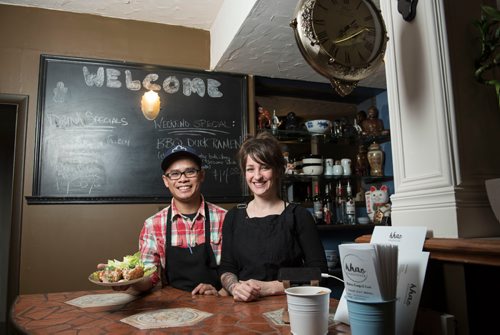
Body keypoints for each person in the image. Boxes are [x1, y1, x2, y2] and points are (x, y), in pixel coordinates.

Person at [99, 144, 227, 296]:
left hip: (218, 303)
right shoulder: (153, 225)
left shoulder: (225, 218)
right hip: (174, 306)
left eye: (190, 171)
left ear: (201, 175)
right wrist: (128, 279)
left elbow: (237, 270)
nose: (183, 179)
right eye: (174, 174)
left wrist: (220, 294)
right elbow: (149, 278)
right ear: (166, 181)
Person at [219, 132, 328, 302]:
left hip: (290, 305)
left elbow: (318, 271)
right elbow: (227, 268)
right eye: (250, 169)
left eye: (264, 167)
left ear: (278, 170)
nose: (257, 176)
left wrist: (268, 288)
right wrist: (235, 287)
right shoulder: (233, 217)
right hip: (244, 307)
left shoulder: (299, 216)